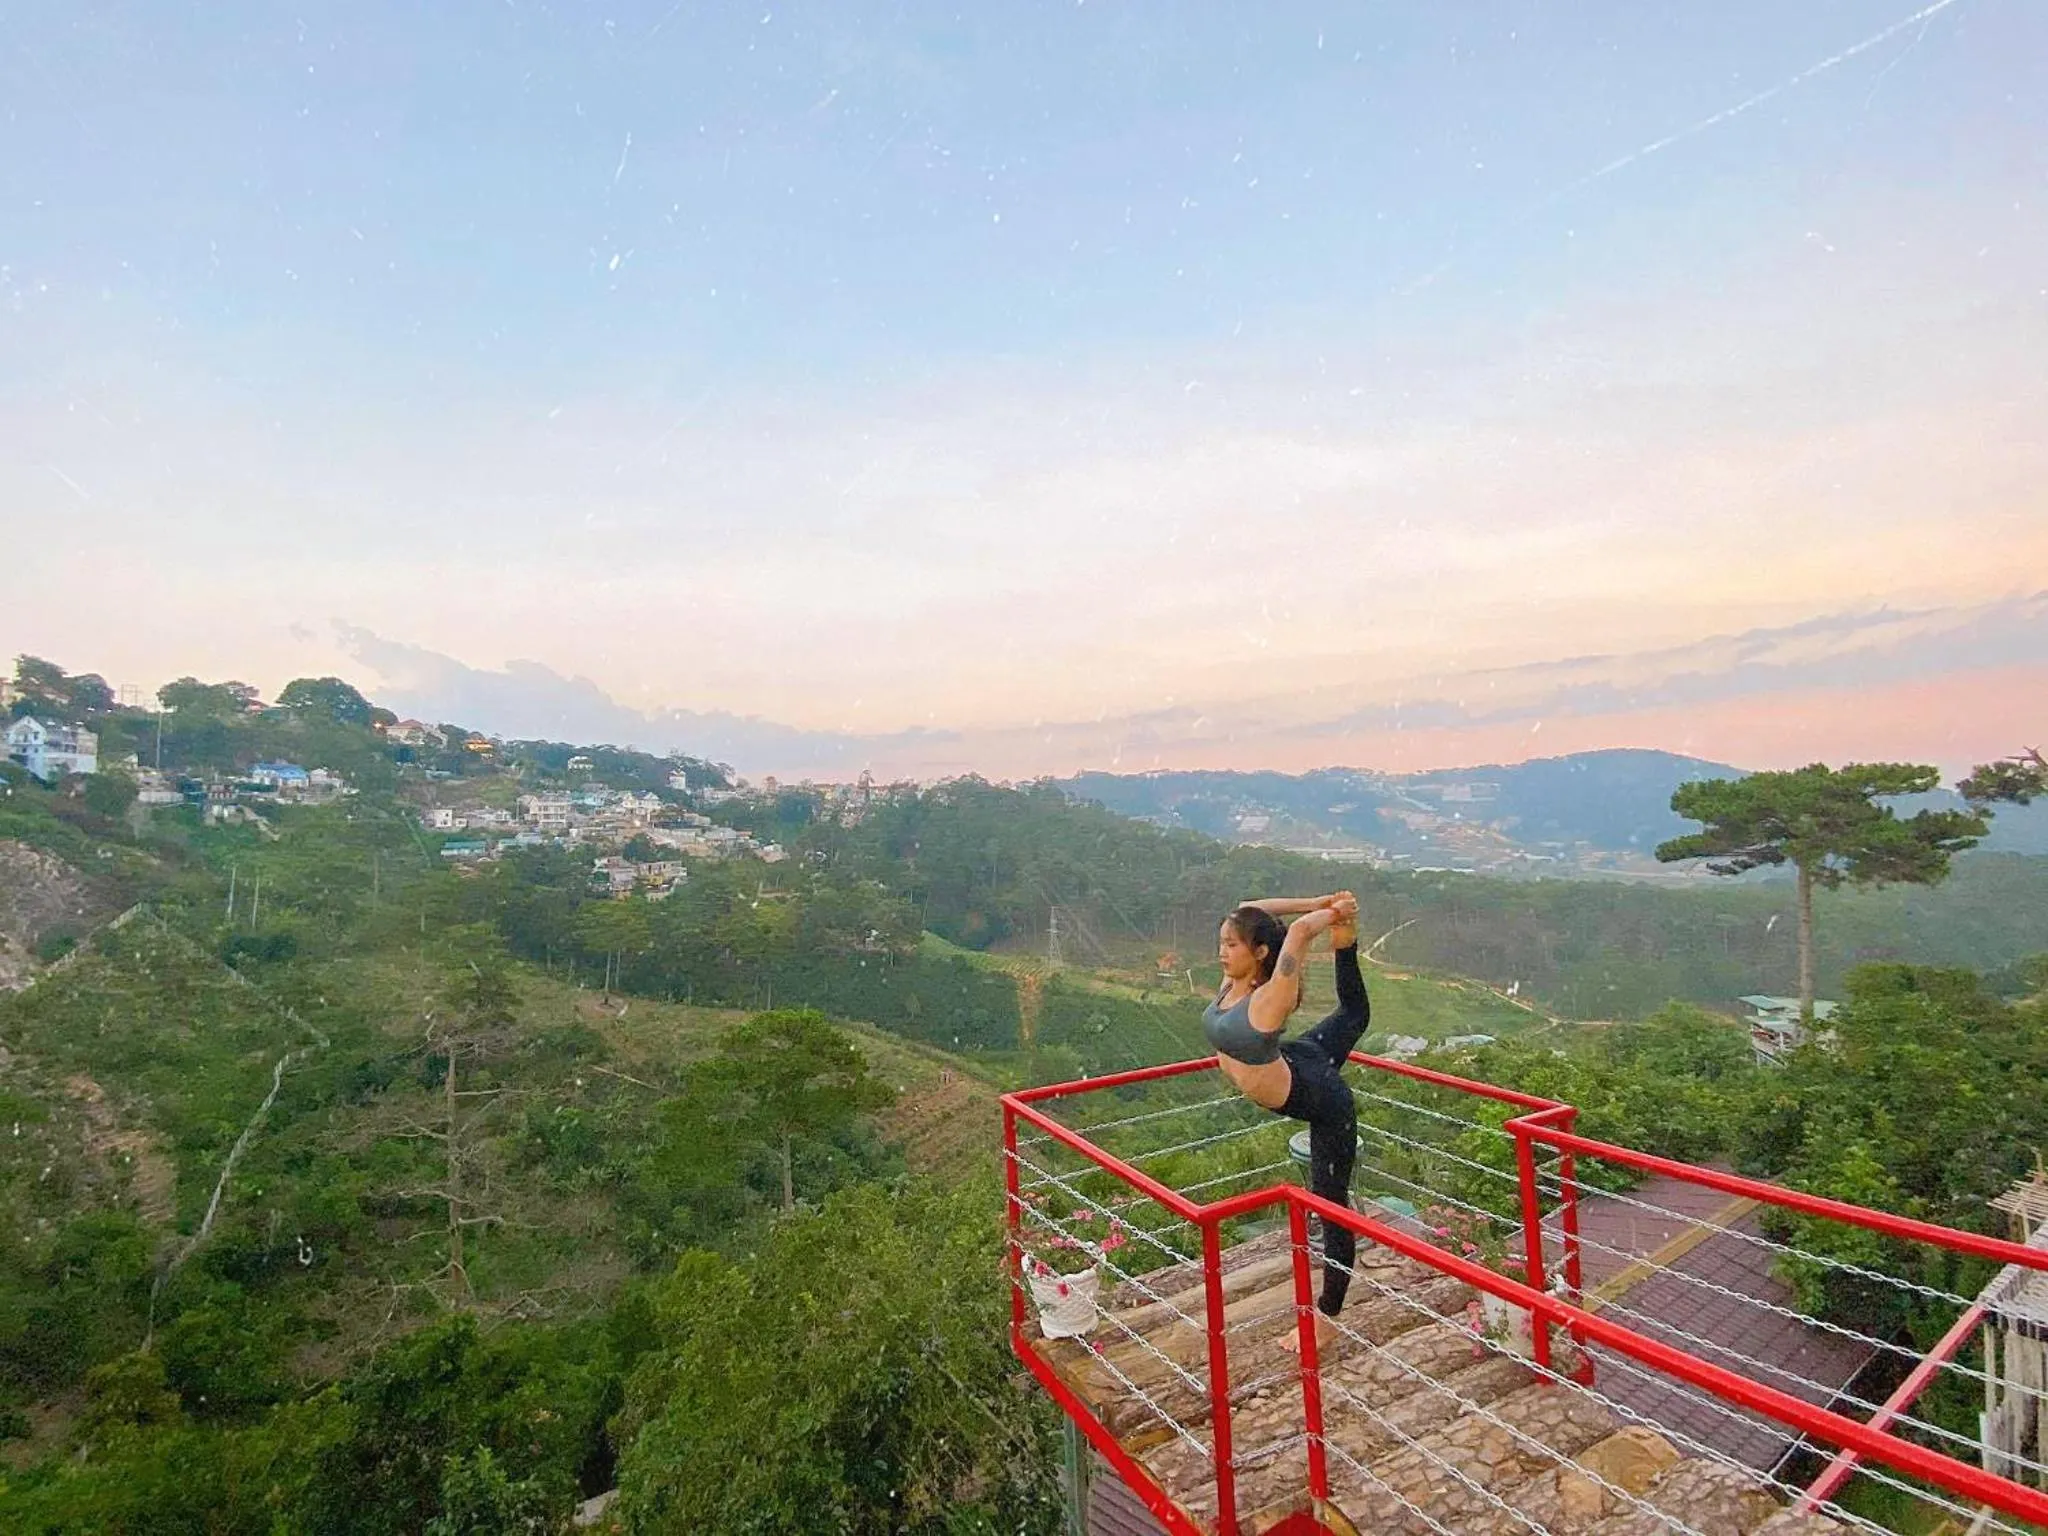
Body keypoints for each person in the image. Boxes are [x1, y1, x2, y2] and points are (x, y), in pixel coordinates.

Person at [1205, 890, 1370, 1353]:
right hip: (1301, 1059)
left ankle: (1328, 1317)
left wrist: (1332, 913)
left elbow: (1296, 933)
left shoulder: (1273, 996)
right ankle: (1347, 942)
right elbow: (1250, 906)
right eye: (1223, 941)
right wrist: (1315, 899)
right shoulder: (1233, 982)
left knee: (1330, 1204)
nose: (1222, 950)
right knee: (1354, 1015)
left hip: (1320, 1098)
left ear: (1259, 952)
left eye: (1232, 944)